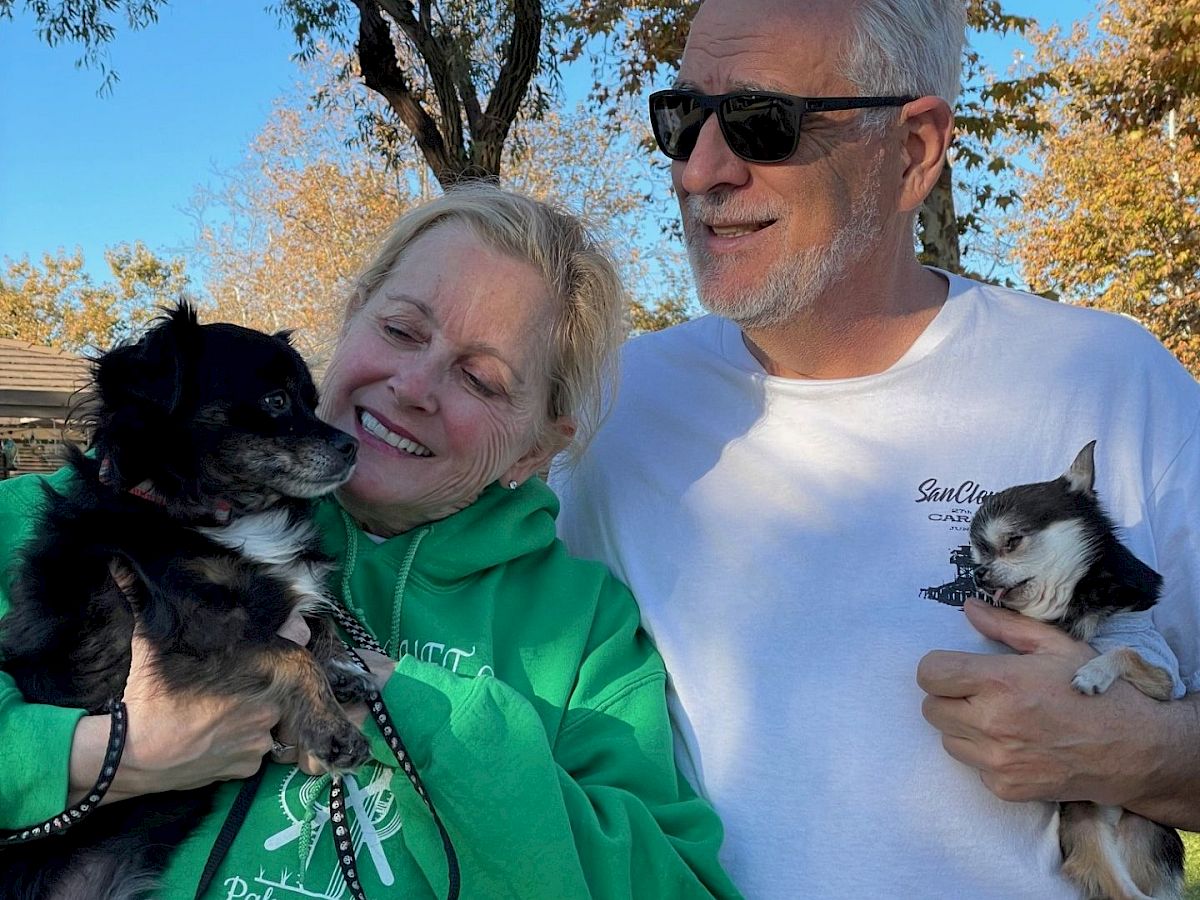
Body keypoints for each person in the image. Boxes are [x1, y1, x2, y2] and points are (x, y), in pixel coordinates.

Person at [549, 0, 1200, 897]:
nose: (700, 168)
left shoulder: (1112, 381)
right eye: (682, 116)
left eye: (759, 120)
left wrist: (1143, 750)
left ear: (913, 150)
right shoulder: (606, 411)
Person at [0, 185, 739, 898]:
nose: (414, 386)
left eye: (480, 380)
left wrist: (414, 714)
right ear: (352, 320)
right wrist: (102, 760)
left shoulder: (579, 630)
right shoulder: (74, 512)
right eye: (401, 330)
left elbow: (665, 884)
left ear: (535, 450)